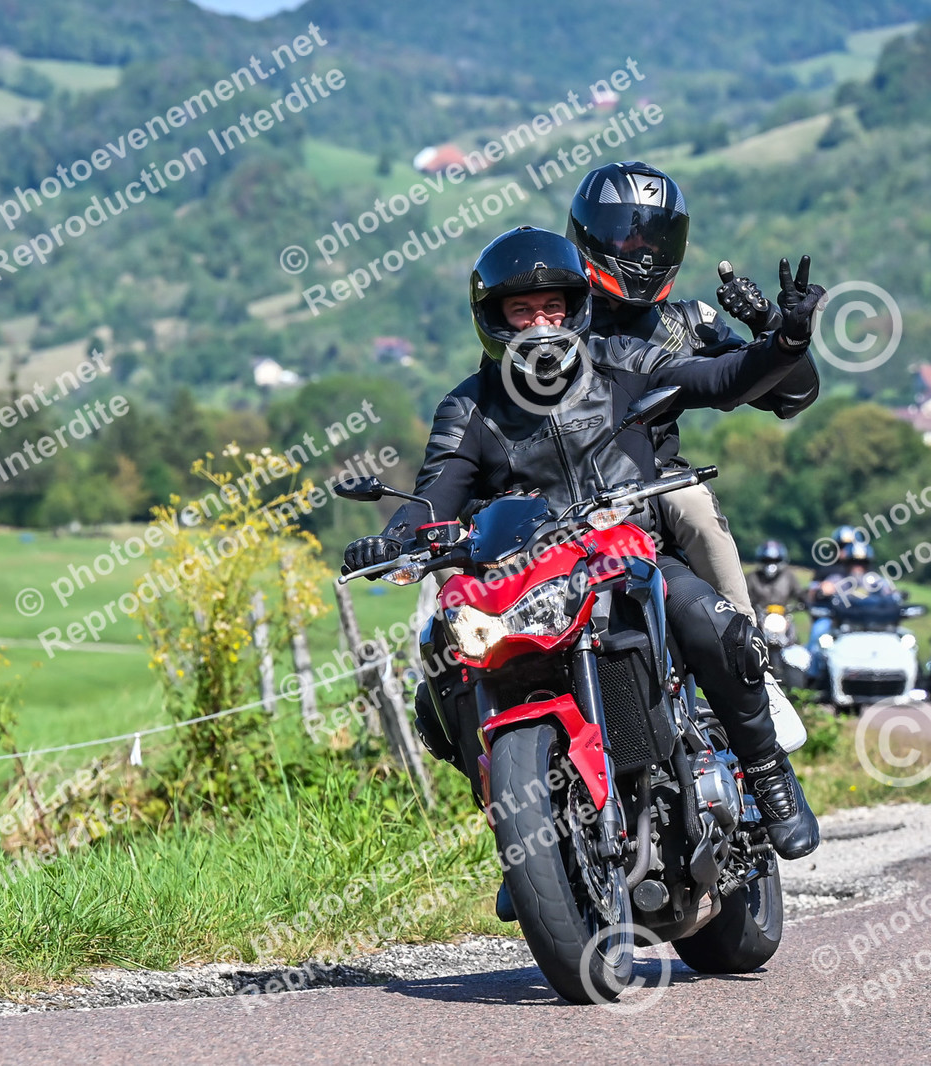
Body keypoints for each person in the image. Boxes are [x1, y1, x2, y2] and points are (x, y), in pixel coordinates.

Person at [343, 225, 824, 860]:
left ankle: (766, 772)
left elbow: (721, 378)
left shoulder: (623, 364)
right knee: (444, 671)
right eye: (522, 309)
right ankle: (525, 837)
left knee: (712, 623)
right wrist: (391, 542)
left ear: (576, 307)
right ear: (494, 319)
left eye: (553, 306)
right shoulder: (469, 407)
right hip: (528, 580)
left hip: (632, 554)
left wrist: (784, 341)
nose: (541, 322)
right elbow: (435, 496)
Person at [566, 161, 820, 613]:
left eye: (654, 240)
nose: (644, 255)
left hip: (654, 486)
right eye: (629, 239)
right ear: (591, 235)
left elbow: (790, 398)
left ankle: (746, 639)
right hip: (554, 484)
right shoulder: (549, 319)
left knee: (695, 503)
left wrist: (773, 326)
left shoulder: (690, 323)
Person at [746, 540, 800, 621]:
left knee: (792, 629)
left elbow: (799, 593)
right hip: (758, 619)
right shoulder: (752, 578)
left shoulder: (788, 577)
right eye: (767, 561)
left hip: (784, 619)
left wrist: (806, 602)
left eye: (775, 560)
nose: (771, 565)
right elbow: (744, 597)